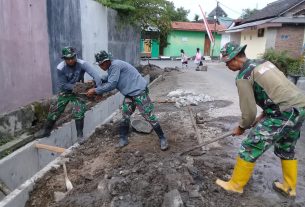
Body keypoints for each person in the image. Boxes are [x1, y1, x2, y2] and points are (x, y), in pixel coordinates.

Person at [215, 41, 305, 197]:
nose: (226, 66)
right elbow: (277, 89)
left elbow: (248, 112)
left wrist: (242, 127)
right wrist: (264, 114)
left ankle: (235, 186)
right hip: (299, 107)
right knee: (286, 147)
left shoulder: (244, 76)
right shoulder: (263, 63)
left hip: (284, 112)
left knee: (250, 146)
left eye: (227, 62)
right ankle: (289, 188)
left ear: (236, 58)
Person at [86, 50, 169, 150]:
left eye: (100, 64)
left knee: (148, 115)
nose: (100, 66)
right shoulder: (112, 67)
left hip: (139, 92)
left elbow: (112, 84)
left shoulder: (115, 65)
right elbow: (108, 77)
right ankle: (123, 138)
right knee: (125, 114)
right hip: (130, 94)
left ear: (106, 61)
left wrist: (95, 90)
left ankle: (162, 138)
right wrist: (96, 80)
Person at [34, 46, 102, 142]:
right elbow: (63, 84)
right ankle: (46, 130)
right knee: (55, 109)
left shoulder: (82, 64)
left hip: (79, 92)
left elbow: (96, 76)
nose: (70, 60)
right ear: (64, 59)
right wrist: (75, 87)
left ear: (75, 56)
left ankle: (79, 135)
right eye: (67, 59)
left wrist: (98, 90)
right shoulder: (61, 67)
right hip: (66, 91)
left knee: (79, 110)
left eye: (72, 58)